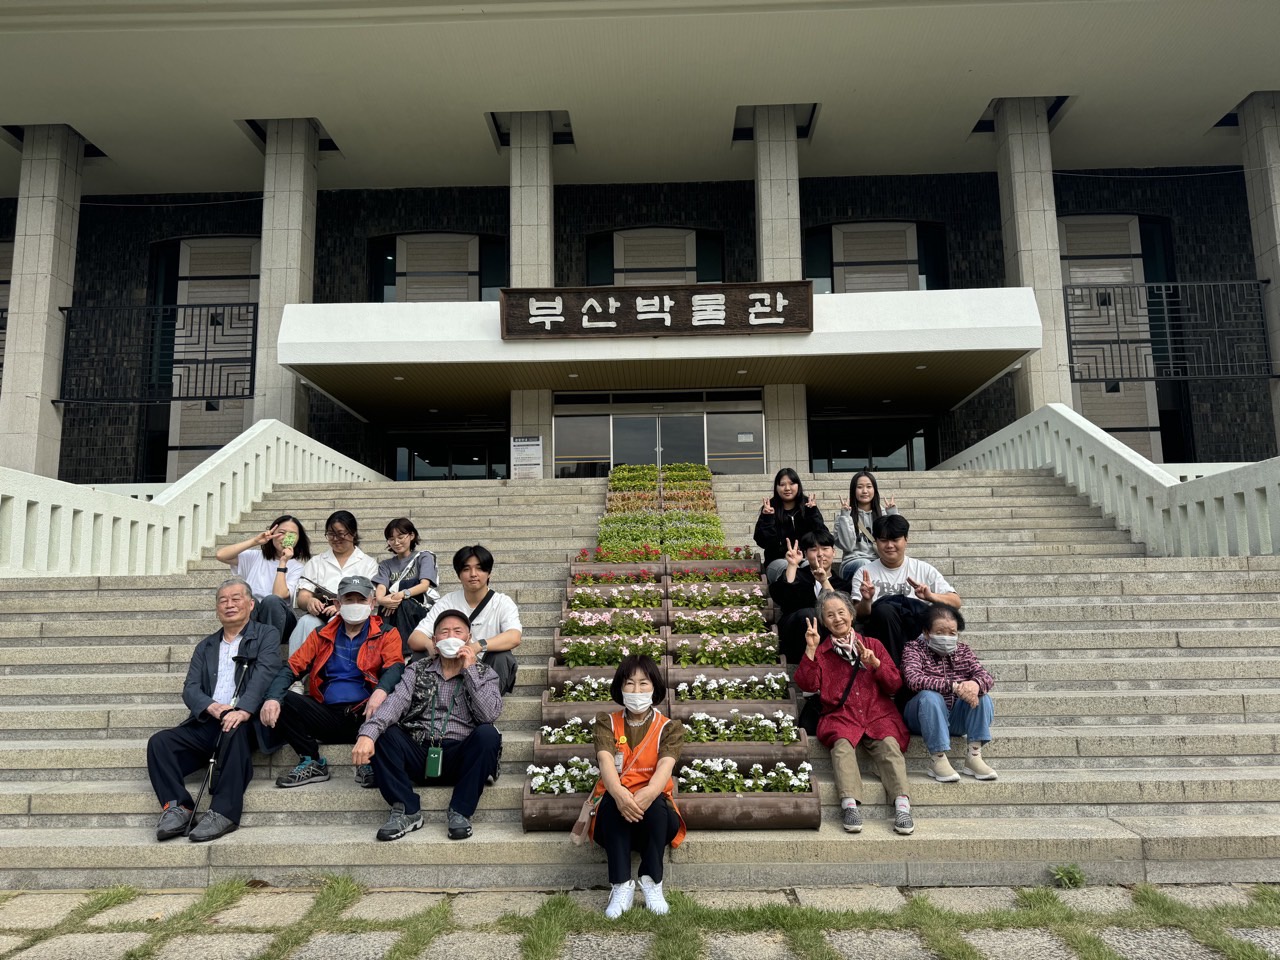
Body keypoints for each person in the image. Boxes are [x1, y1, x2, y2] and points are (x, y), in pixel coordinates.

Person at [146, 578, 281, 843]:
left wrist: (243, 710)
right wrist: (212, 707)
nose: (229, 605)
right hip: (210, 719)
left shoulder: (266, 634)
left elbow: (265, 673)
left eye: (236, 598)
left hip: (245, 721)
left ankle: (223, 812)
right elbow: (190, 688)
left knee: (234, 729)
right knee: (160, 743)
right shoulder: (206, 646)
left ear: (251, 604)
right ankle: (178, 807)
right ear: (217, 608)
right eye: (223, 600)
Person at [353, 609, 504, 841]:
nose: (451, 637)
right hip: (420, 750)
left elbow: (489, 714)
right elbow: (396, 702)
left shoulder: (485, 673)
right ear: (434, 641)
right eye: (444, 632)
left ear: (468, 639)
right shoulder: (417, 669)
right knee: (384, 733)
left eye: (457, 632)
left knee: (488, 734)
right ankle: (407, 810)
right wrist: (368, 734)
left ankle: (460, 811)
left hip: (460, 755)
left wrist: (470, 670)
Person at [260, 575, 406, 789]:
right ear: (337, 604)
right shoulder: (321, 634)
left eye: (361, 599)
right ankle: (311, 760)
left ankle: (369, 760)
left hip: (367, 713)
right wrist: (272, 698)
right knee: (279, 696)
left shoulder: (387, 633)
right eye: (349, 600)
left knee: (391, 702)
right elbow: (292, 667)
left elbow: (396, 667)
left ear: (373, 603)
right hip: (326, 713)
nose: (355, 604)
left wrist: (381, 691)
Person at [793, 591, 914, 836]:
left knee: (889, 745)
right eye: (830, 615)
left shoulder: (873, 645)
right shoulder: (821, 651)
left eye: (841, 612)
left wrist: (876, 664)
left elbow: (894, 684)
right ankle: (850, 806)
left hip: (877, 713)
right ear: (824, 622)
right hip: (842, 715)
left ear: (851, 614)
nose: (837, 618)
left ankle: (902, 807)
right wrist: (810, 649)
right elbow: (807, 684)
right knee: (842, 746)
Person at [590, 654, 686, 919]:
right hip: (613, 820)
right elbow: (605, 761)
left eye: (643, 683)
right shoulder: (606, 722)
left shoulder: (669, 728)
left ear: (654, 686)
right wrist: (620, 794)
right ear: (620, 687)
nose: (636, 690)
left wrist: (649, 793)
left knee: (656, 805)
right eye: (629, 683)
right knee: (613, 802)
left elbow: (665, 766)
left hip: (655, 822)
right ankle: (621, 885)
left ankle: (652, 881)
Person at [407, 545, 522, 695]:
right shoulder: (448, 601)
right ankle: (427, 699)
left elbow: (514, 636)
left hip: (485, 667)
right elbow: (414, 638)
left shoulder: (502, 602)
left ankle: (488, 701)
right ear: (459, 574)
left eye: (479, 568)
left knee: (503, 657)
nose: (473, 574)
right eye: (466, 569)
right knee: (419, 655)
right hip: (451, 664)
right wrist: (432, 645)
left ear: (489, 573)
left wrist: (478, 646)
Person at [902, 603, 998, 782]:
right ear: (926, 632)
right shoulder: (913, 648)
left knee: (982, 696)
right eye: (940, 632)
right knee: (929, 697)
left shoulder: (963, 651)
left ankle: (974, 756)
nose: (946, 637)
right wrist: (955, 686)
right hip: (922, 717)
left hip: (955, 718)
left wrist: (975, 684)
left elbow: (986, 676)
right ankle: (938, 759)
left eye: (952, 633)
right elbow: (913, 679)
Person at [854, 514, 962, 668]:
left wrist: (930, 596)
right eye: (883, 540)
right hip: (882, 632)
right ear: (876, 542)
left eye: (895, 539)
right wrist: (867, 600)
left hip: (916, 632)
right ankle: (898, 670)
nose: (889, 545)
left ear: (906, 540)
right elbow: (858, 614)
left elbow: (956, 602)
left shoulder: (923, 569)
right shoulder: (864, 572)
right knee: (884, 611)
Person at [290, 510, 378, 655]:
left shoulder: (368, 564)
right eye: (331, 534)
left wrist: (342, 608)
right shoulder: (316, 562)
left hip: (354, 618)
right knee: (306, 622)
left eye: (340, 534)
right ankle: (296, 668)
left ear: (353, 533)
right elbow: (303, 597)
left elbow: (370, 598)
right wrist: (310, 601)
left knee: (337, 622)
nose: (336, 539)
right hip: (321, 616)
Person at [214, 514, 310, 642]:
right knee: (248, 600)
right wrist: (255, 541)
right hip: (253, 616)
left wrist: (283, 562)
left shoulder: (298, 567)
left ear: (298, 539)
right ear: (272, 533)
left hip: (281, 621)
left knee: (271, 600)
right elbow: (221, 555)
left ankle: (267, 648)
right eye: (281, 532)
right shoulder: (255, 557)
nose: (286, 537)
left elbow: (279, 595)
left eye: (292, 534)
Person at [768, 530, 851, 664]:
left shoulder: (842, 584)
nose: (820, 554)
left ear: (834, 552)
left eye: (825, 549)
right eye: (813, 549)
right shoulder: (797, 574)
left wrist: (824, 581)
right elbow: (782, 597)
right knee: (809, 615)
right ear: (805, 554)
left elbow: (842, 610)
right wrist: (792, 565)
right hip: (795, 631)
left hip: (828, 635)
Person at [372, 517, 439, 656]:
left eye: (401, 537)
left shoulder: (423, 557)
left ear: (412, 535)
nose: (396, 542)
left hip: (419, 610)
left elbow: (424, 585)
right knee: (387, 606)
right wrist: (381, 600)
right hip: (393, 610)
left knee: (403, 602)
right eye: (391, 539)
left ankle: (405, 653)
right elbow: (381, 587)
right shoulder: (385, 565)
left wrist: (401, 595)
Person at [753, 467, 828, 584]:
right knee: (791, 571)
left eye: (792, 484)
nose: (787, 488)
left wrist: (812, 513)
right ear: (776, 487)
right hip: (778, 561)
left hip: (805, 559)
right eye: (782, 484)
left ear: (798, 485)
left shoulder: (808, 506)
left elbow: (823, 537)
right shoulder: (770, 508)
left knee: (813, 570)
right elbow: (763, 542)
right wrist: (768, 519)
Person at [834, 470, 898, 581]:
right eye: (860, 487)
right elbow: (848, 546)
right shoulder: (843, 516)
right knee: (865, 564)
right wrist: (845, 516)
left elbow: (897, 539)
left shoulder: (883, 513)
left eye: (869, 486)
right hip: (853, 562)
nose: (864, 491)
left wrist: (893, 515)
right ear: (853, 490)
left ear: (874, 490)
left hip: (880, 560)